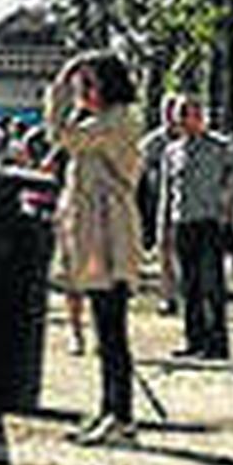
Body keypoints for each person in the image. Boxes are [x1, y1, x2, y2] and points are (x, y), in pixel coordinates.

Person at [45, 50, 144, 445]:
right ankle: (109, 410)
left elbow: (61, 135)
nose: (82, 93)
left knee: (113, 331)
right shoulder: (97, 123)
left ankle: (121, 415)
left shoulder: (117, 122)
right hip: (92, 235)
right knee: (105, 330)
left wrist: (57, 90)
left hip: (111, 236)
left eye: (88, 85)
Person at [163, 97, 233, 360]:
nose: (185, 119)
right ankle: (194, 340)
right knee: (189, 286)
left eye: (190, 113)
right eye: (181, 114)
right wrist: (163, 225)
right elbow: (168, 191)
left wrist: (228, 204)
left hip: (210, 222)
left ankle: (217, 344)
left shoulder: (220, 147)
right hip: (182, 222)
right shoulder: (172, 151)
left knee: (212, 285)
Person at [139, 96, 181, 312]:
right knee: (165, 251)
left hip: (186, 205)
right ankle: (168, 296)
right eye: (167, 111)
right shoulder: (151, 143)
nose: (170, 116)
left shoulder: (193, 140)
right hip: (159, 204)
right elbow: (141, 175)